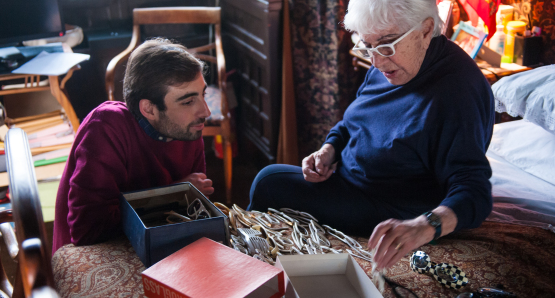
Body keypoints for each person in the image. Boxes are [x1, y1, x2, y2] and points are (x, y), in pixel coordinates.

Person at [249, 0, 494, 270]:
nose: (376, 61)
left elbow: (475, 191)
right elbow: (353, 122)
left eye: (387, 45)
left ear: (425, 30)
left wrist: (425, 226)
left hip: (390, 204)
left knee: (268, 183)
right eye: (368, 46)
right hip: (351, 181)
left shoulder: (456, 93)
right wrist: (329, 149)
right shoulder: (392, 65)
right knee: (269, 180)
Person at [53, 39, 214, 253]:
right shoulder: (105, 127)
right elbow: (87, 230)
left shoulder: (188, 127)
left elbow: (191, 211)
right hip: (91, 255)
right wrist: (173, 195)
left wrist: (176, 198)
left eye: (203, 94)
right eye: (187, 101)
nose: (205, 112)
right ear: (149, 109)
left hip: (156, 245)